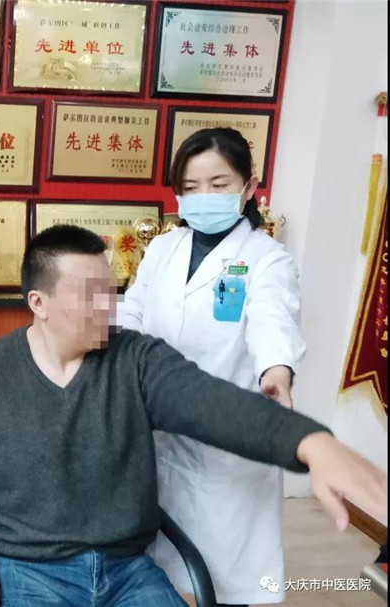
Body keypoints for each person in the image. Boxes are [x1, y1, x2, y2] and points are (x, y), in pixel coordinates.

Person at [0, 225, 387, 607]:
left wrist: (311, 443)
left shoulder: (136, 361)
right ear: (39, 303)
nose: (108, 307)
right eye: (89, 296)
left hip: (126, 571)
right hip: (26, 569)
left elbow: (214, 404)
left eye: (111, 291)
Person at [121, 127, 305, 606]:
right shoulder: (163, 249)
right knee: (155, 567)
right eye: (191, 186)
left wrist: (276, 372)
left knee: (226, 574)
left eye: (218, 184)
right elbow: (134, 309)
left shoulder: (266, 259)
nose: (203, 196)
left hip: (225, 434)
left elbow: (272, 321)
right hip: (158, 424)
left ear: (249, 186)